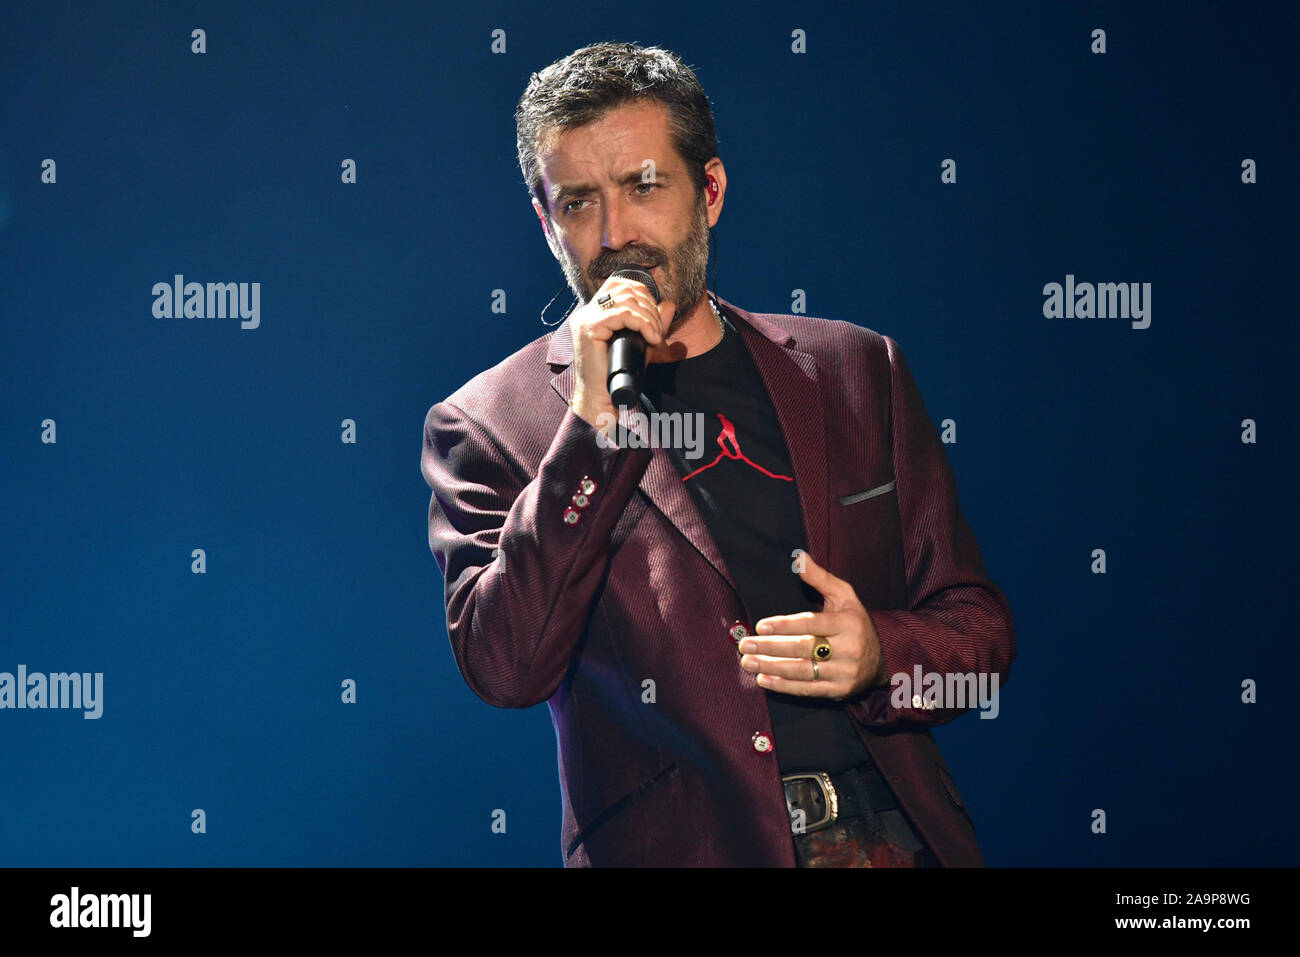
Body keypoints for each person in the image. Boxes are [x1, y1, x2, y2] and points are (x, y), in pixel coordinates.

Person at [420, 41, 1015, 867]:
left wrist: (880, 651)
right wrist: (594, 425)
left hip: (893, 842)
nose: (615, 234)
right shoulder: (488, 424)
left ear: (711, 191)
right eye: (579, 203)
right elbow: (506, 666)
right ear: (544, 217)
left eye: (643, 186)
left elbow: (980, 638)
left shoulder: (854, 368)